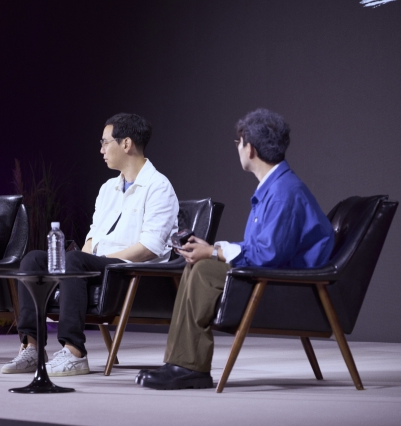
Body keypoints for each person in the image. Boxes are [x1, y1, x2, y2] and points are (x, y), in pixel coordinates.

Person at [136, 108, 335, 390]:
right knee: (199, 264)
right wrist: (214, 247)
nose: (238, 148)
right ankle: (180, 363)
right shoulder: (275, 187)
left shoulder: (282, 193)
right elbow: (262, 247)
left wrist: (213, 254)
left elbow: (268, 256)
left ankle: (188, 366)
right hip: (278, 276)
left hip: (290, 287)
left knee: (205, 269)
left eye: (238, 142)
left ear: (249, 148)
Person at [1, 113, 179, 376]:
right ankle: (32, 346)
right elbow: (92, 238)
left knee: (75, 261)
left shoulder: (158, 187)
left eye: (106, 143)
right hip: (99, 264)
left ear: (126, 144)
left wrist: (91, 263)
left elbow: (148, 248)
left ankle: (75, 353)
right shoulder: (108, 188)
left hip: (132, 270)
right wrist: (73, 266)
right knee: (33, 260)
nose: (101, 150)